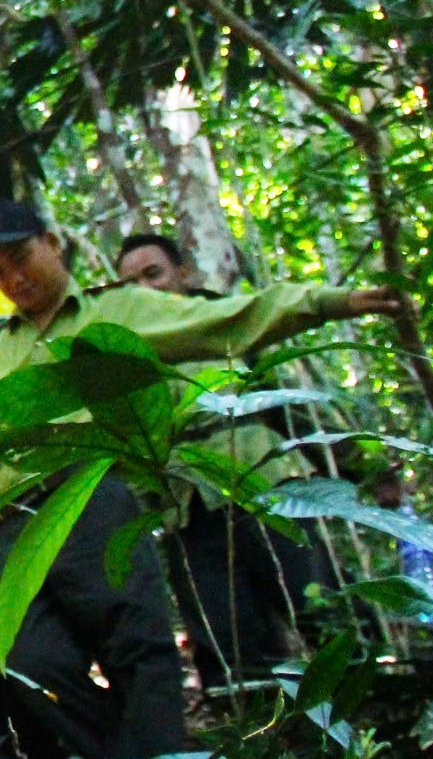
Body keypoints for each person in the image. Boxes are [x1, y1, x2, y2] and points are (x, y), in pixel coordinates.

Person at [0, 200, 407, 759]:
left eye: (20, 258)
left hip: (99, 494)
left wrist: (329, 302)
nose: (13, 279)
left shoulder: (118, 311)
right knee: (30, 664)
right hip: (18, 524)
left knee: (149, 649)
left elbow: (221, 323)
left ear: (52, 244)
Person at [116, 232, 339, 689]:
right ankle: (266, 740)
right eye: (132, 283)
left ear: (183, 273)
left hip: (267, 490)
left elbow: (294, 401)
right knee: (227, 642)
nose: (146, 289)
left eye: (154, 273)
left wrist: (355, 464)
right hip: (191, 513)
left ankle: (381, 703)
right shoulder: (129, 357)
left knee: (319, 606)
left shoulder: (229, 323)